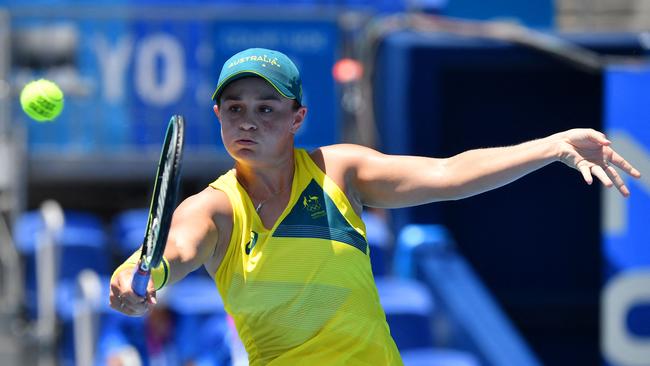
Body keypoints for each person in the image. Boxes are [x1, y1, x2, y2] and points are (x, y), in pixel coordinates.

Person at [109, 47, 641, 365]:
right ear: (219, 114)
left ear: (298, 118)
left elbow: (448, 173)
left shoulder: (341, 171)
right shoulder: (215, 208)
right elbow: (172, 251)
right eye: (235, 108)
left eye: (267, 108)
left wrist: (549, 147)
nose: (248, 121)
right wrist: (136, 273)